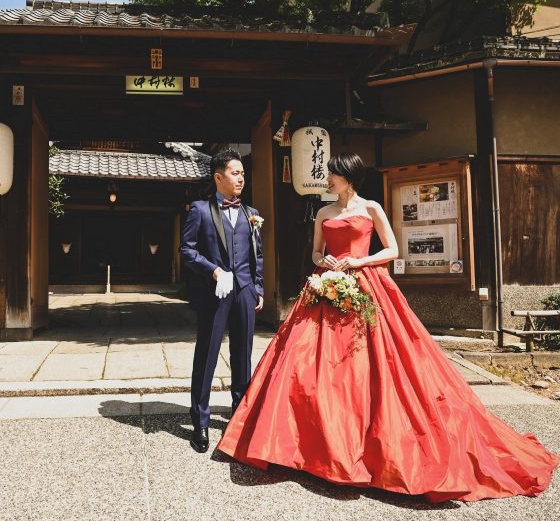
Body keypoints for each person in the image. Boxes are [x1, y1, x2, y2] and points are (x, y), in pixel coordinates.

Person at [217, 152, 559, 502]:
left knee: (376, 361)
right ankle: (312, 444)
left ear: (348, 177)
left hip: (366, 284)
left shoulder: (371, 208)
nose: (328, 179)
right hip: (327, 285)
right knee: (306, 361)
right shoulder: (323, 212)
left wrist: (360, 261)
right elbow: (316, 253)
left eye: (333, 174)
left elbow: (392, 250)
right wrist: (325, 260)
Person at [181, 148, 264, 453]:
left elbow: (257, 254)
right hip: (214, 292)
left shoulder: (250, 213)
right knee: (207, 354)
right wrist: (213, 270)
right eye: (234, 173)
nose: (241, 178)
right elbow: (187, 250)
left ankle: (239, 415)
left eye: (242, 173)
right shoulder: (200, 210)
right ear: (218, 177)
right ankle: (200, 421)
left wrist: (258, 287)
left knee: (243, 354)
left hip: (244, 292)